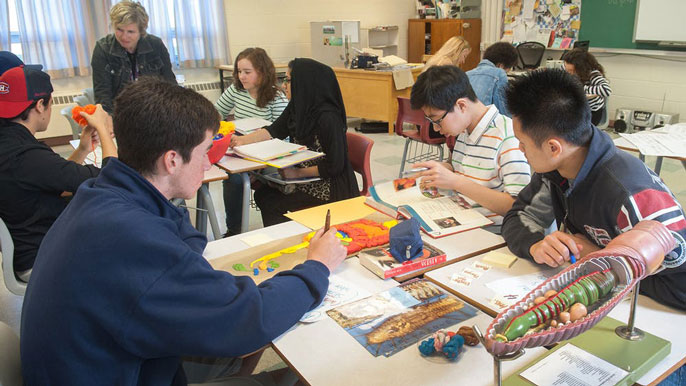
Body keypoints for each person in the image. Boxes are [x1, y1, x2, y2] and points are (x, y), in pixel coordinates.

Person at [20, 78, 347, 384]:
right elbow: (250, 320)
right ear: (172, 160)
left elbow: (181, 234)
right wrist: (317, 266)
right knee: (303, 365)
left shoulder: (103, 191)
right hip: (121, 373)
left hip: (112, 357)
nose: (208, 165)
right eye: (205, 153)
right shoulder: (135, 240)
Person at [501, 69, 685, 312]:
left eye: (522, 143)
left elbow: (680, 282)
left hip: (659, 312)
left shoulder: (631, 194)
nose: (519, 149)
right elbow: (517, 217)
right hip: (606, 295)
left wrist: (603, 259)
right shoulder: (557, 170)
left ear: (554, 147)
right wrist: (536, 245)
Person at [0, 64, 116, 280]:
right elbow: (112, 178)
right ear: (40, 105)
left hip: (32, 245)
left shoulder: (12, 143)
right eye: (51, 103)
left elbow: (53, 178)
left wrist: (82, 150)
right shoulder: (25, 155)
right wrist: (103, 127)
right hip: (43, 256)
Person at [231, 58, 359, 227]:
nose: (284, 85)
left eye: (289, 80)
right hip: (308, 180)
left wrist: (297, 174)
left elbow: (335, 166)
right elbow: (274, 130)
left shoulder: (328, 118)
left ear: (305, 84)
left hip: (329, 188)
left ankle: (288, 243)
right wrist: (241, 141)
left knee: (272, 202)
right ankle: (283, 240)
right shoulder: (298, 107)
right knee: (264, 195)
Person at [409, 65, 531, 225]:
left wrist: (456, 182)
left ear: (461, 106)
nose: (436, 128)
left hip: (492, 234)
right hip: (461, 219)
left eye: (437, 119)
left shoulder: (508, 137)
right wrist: (445, 170)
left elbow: (518, 208)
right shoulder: (465, 130)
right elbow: (465, 171)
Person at [215, 47, 289, 236]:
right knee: (232, 177)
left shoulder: (276, 97)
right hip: (241, 149)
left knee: (247, 178)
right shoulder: (236, 90)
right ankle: (234, 230)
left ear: (262, 73)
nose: (242, 77)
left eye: (247, 72)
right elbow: (216, 112)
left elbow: (282, 135)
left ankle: (273, 227)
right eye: (239, 72)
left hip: (267, 153)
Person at [91, 0, 176, 113]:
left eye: (130, 32)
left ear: (141, 31)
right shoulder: (103, 49)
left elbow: (170, 84)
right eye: (119, 29)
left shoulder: (156, 45)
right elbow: (103, 97)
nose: (124, 36)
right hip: (120, 114)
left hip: (154, 111)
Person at [466, 42, 519, 117]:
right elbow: (503, 110)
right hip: (484, 123)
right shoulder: (499, 73)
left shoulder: (467, 74)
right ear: (501, 65)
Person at [563, 48, 612, 126]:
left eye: (572, 70)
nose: (569, 73)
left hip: (591, 113)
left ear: (581, 68)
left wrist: (581, 88)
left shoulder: (593, 74)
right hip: (578, 110)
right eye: (567, 69)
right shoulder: (569, 70)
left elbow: (606, 90)